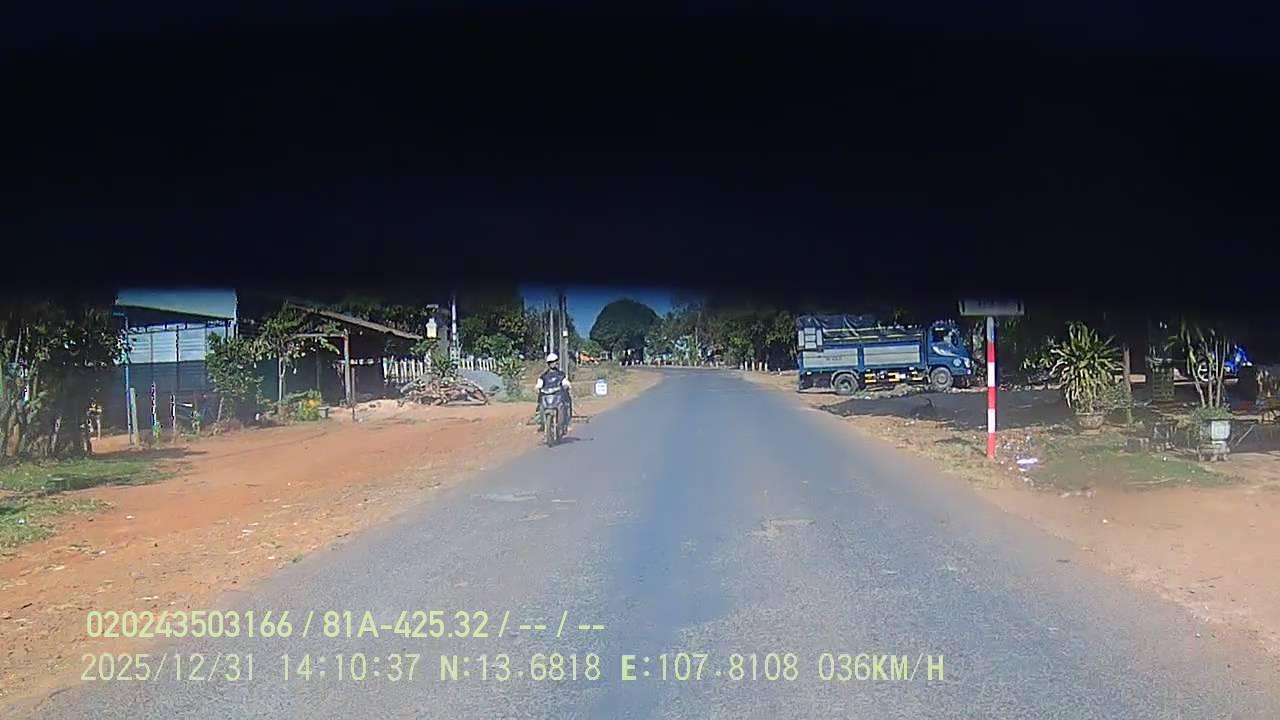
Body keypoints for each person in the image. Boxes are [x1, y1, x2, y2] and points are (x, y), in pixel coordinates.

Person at [535, 352, 573, 429]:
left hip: (558, 396)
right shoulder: (543, 376)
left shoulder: (561, 375)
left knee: (567, 401)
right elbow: (539, 385)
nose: (553, 364)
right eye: (551, 362)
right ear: (548, 364)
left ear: (556, 362)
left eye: (554, 361)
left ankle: (567, 420)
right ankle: (541, 421)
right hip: (547, 397)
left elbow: (565, 383)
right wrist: (537, 388)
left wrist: (566, 385)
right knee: (540, 404)